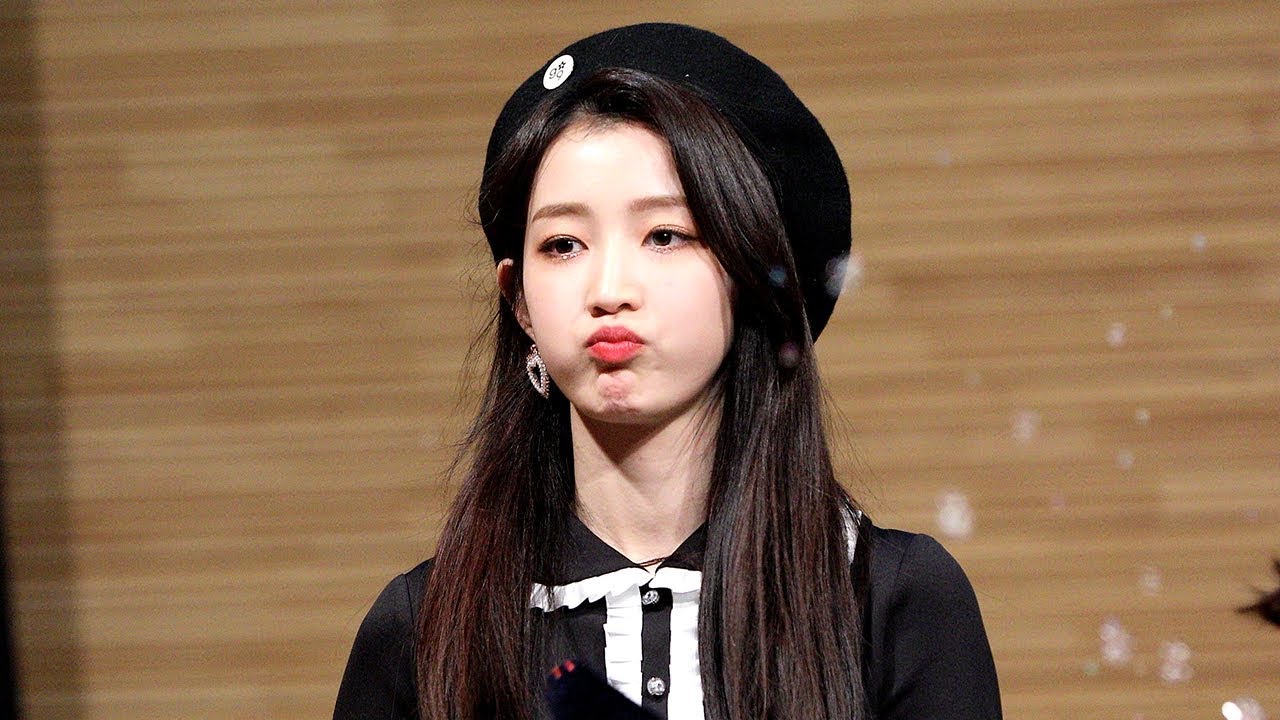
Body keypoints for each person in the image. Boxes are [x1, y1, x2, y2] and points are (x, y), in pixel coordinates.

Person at [333, 22, 1001, 720]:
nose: (609, 289)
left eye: (664, 235)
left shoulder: (891, 602)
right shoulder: (423, 631)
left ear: (749, 275)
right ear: (519, 300)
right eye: (563, 245)